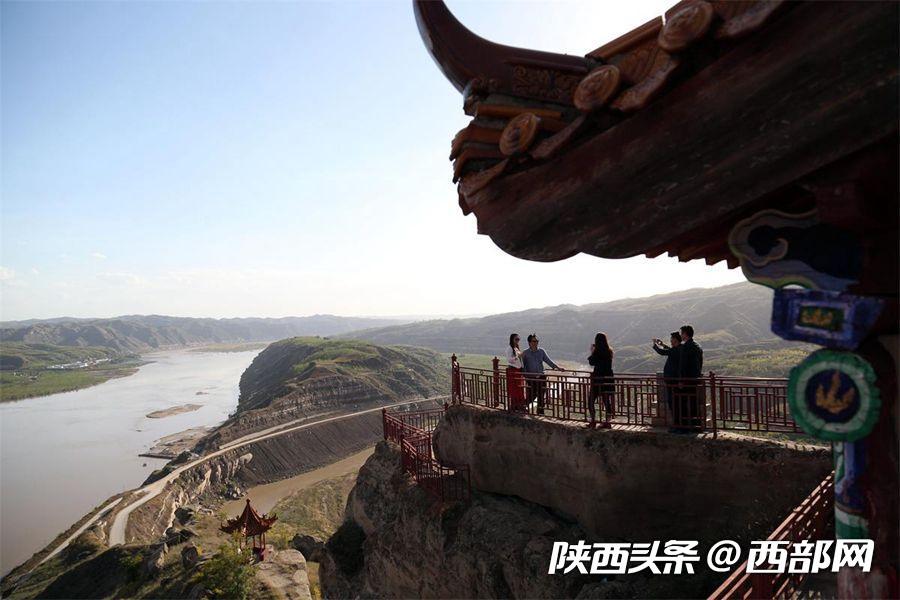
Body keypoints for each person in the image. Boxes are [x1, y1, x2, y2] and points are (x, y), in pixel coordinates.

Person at [521, 333, 564, 415]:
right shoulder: (525, 353)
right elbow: (523, 366)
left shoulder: (541, 351)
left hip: (541, 376)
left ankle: (540, 413)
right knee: (532, 395)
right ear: (529, 342)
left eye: (537, 341)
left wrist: (558, 368)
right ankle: (522, 406)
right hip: (531, 378)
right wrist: (526, 376)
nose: (536, 343)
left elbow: (548, 361)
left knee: (541, 395)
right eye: (534, 341)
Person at [677, 325, 704, 431]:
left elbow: (683, 365)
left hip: (686, 380)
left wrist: (681, 380)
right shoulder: (697, 346)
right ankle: (695, 425)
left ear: (685, 334)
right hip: (695, 379)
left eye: (681, 333)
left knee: (683, 403)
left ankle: (684, 426)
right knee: (693, 402)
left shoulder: (686, 347)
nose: (681, 335)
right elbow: (700, 363)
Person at [652, 332, 681, 429]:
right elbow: (669, 350)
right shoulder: (678, 349)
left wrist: (655, 345)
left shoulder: (676, 350)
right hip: (673, 380)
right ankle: (676, 424)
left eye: (671, 339)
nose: (670, 341)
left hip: (672, 381)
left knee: (673, 403)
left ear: (675, 340)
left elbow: (662, 352)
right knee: (674, 403)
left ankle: (676, 424)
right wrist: (662, 344)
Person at [587, 332, 615, 429]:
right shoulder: (609, 351)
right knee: (606, 401)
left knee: (591, 401)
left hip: (598, 379)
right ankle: (608, 422)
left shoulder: (597, 352)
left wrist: (592, 351)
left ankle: (593, 421)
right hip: (607, 379)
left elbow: (592, 362)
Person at [505, 333, 526, 411]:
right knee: (515, 389)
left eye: (518, 339)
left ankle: (519, 406)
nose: (518, 341)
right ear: (512, 339)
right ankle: (515, 406)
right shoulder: (509, 349)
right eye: (516, 339)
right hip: (513, 371)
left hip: (518, 371)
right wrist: (518, 357)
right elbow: (509, 360)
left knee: (519, 388)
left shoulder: (516, 348)